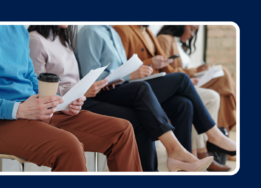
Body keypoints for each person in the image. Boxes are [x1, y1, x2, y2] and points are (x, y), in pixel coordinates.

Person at [28, 25, 214, 172]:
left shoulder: (64, 40)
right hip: (72, 105)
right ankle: (185, 149)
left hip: (82, 99)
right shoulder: (37, 40)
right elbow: (39, 90)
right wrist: (84, 90)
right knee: (144, 93)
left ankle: (172, 163)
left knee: (180, 104)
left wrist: (91, 86)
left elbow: (78, 80)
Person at [75, 25, 236, 170]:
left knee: (182, 104)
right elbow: (91, 76)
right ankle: (212, 135)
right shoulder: (90, 31)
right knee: (180, 79)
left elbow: (121, 69)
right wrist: (130, 75)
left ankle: (185, 166)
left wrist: (134, 73)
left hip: (123, 86)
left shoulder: (113, 33)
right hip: (103, 94)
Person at [0, 25, 143, 172]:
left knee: (122, 130)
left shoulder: (18, 28)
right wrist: (17, 110)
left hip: (32, 109)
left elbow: (29, 77)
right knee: (68, 146)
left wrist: (60, 102)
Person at [156, 25, 236, 132]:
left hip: (188, 79)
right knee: (223, 74)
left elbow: (182, 69)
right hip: (179, 84)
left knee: (222, 86)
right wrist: (195, 71)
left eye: (195, 31)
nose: (192, 35)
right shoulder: (164, 39)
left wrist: (198, 70)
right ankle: (221, 132)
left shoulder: (180, 44)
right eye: (192, 29)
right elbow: (166, 71)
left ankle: (220, 132)